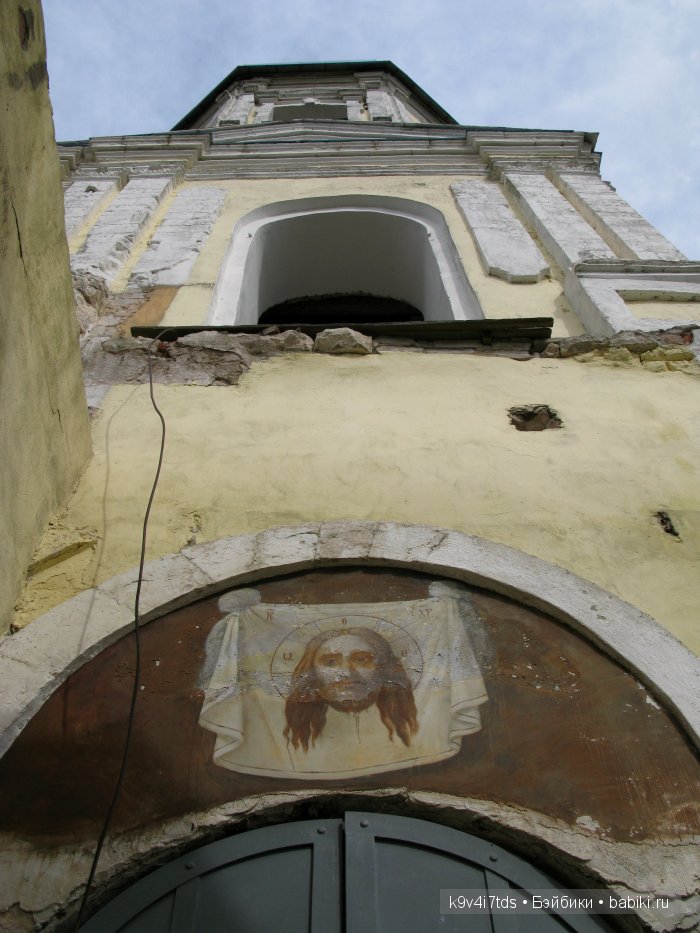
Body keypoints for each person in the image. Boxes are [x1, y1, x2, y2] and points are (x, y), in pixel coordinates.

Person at [283, 627, 418, 752]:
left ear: (382, 669)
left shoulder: (402, 722)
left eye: (361, 659)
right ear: (313, 673)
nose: (346, 672)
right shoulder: (303, 729)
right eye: (331, 662)